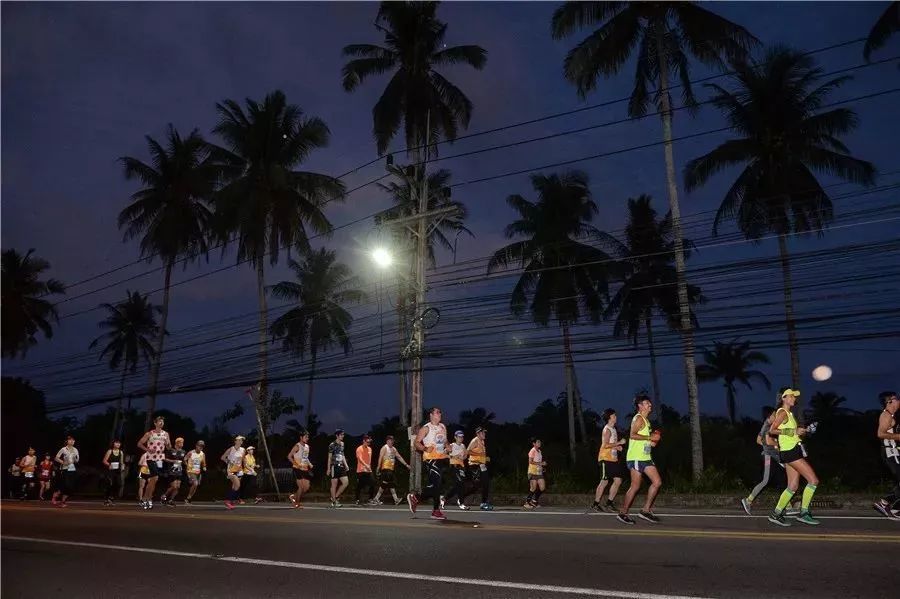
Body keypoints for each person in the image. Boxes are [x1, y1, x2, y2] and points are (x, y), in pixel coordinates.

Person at [767, 388, 820, 527]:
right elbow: (772, 430)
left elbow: (790, 434)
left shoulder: (789, 414)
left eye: (794, 397)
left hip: (790, 451)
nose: (793, 398)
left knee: (793, 485)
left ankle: (776, 513)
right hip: (790, 452)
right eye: (790, 396)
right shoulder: (783, 412)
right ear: (783, 398)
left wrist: (804, 431)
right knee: (813, 481)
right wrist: (792, 431)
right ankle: (804, 513)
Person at [617, 395, 663, 525]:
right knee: (635, 486)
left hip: (646, 457)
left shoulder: (647, 421)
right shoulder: (638, 418)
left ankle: (645, 510)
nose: (650, 405)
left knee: (657, 482)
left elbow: (649, 444)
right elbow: (632, 435)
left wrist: (655, 439)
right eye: (647, 403)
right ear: (640, 406)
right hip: (636, 457)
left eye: (650, 402)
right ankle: (623, 513)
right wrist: (649, 438)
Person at [407, 406, 449, 520]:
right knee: (437, 484)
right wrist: (425, 449)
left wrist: (448, 447)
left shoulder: (442, 427)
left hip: (441, 459)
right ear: (431, 415)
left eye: (440, 412)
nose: (440, 414)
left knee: (434, 486)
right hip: (431, 460)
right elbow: (416, 443)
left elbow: (445, 440)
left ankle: (415, 498)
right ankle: (435, 511)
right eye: (437, 412)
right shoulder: (426, 428)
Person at [593, 409, 626, 512]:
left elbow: (611, 444)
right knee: (604, 482)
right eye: (614, 415)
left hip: (613, 459)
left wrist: (617, 448)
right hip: (605, 459)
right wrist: (619, 443)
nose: (616, 417)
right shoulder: (607, 429)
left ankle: (609, 503)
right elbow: (605, 445)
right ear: (609, 418)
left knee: (618, 480)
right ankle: (595, 504)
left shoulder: (613, 429)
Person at [874, 390, 900, 518]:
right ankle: (886, 504)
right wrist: (898, 436)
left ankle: (891, 506)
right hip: (890, 453)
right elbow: (880, 433)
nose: (898, 400)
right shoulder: (886, 415)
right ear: (889, 402)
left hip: (893, 452)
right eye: (896, 398)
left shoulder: (891, 415)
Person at [137, 416, 171, 510]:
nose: (161, 423)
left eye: (162, 422)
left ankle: (145, 498)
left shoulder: (166, 434)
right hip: (151, 458)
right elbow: (139, 444)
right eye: (159, 421)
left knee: (154, 480)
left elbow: (169, 447)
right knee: (154, 477)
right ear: (155, 423)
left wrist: (168, 444)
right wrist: (147, 449)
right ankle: (146, 499)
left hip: (160, 459)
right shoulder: (149, 433)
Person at [373, 435, 408, 506]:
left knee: (387, 484)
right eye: (390, 440)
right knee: (389, 483)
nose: (392, 442)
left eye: (392, 440)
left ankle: (377, 499)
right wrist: (378, 467)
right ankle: (394, 499)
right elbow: (380, 457)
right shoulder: (384, 448)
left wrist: (406, 465)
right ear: (387, 441)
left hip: (391, 469)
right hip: (385, 468)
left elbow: (399, 457)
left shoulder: (394, 449)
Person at [466, 426, 493, 510]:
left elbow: (481, 453)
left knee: (486, 484)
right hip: (474, 466)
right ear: (478, 433)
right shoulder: (475, 440)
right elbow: (468, 451)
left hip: (481, 465)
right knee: (476, 486)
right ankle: (461, 496)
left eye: (484, 432)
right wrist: (480, 455)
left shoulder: (482, 441)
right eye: (483, 433)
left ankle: (483, 503)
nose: (484, 434)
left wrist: (485, 458)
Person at [444, 431, 470, 510]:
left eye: (462, 437)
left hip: (461, 467)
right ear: (455, 437)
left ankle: (444, 498)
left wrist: (463, 457)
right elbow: (443, 453)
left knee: (458, 485)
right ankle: (461, 503)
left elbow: (465, 455)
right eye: (459, 437)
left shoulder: (463, 445)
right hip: (454, 466)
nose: (461, 438)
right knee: (460, 483)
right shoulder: (452, 445)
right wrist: (452, 457)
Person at [51, 435, 79, 507]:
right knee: (64, 485)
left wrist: (75, 458)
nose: (72, 441)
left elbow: (77, 460)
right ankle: (55, 497)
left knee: (70, 486)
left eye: (73, 440)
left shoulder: (75, 450)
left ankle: (63, 501)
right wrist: (63, 462)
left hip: (72, 469)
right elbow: (56, 458)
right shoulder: (63, 449)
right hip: (64, 469)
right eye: (70, 440)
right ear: (67, 441)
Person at [288, 432, 313, 508]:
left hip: (305, 469)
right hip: (297, 469)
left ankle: (293, 497)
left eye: (308, 437)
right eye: (305, 437)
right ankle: (297, 503)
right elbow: (289, 456)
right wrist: (296, 464)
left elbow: (305, 457)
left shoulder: (307, 447)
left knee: (306, 487)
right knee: (301, 487)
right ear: (301, 437)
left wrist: (309, 463)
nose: (307, 438)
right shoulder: (297, 446)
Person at [221, 435, 245, 510]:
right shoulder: (231, 449)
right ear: (235, 441)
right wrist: (228, 461)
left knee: (234, 486)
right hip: (231, 470)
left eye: (242, 440)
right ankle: (227, 501)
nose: (241, 441)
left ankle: (230, 501)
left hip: (239, 470)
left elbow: (242, 460)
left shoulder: (243, 450)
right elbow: (222, 457)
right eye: (239, 440)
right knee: (237, 485)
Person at [161, 437, 187, 507]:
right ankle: (164, 496)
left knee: (178, 487)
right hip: (172, 471)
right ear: (177, 443)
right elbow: (165, 459)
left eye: (183, 442)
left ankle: (171, 500)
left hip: (179, 471)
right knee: (174, 486)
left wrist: (187, 464)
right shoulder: (171, 450)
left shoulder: (183, 451)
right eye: (181, 442)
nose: (182, 444)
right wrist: (173, 461)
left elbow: (184, 460)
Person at [328, 429, 350, 508]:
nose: (343, 436)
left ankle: (335, 497)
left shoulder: (342, 444)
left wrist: (346, 465)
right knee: (334, 485)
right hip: (334, 466)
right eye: (341, 435)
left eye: (343, 435)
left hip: (341, 466)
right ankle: (334, 502)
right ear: (337, 435)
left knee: (346, 482)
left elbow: (342, 454)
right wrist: (328, 468)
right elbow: (329, 457)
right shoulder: (332, 445)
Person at [524, 438, 547, 509]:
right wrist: (541, 463)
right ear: (534, 444)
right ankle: (527, 503)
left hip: (539, 472)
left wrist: (542, 465)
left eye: (540, 442)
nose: (539, 443)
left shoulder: (539, 451)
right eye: (538, 442)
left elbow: (538, 461)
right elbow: (530, 461)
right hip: (532, 472)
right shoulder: (532, 450)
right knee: (533, 488)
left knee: (542, 488)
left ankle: (534, 501)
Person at [355, 434, 376, 506]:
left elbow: (369, 460)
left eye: (369, 442)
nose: (368, 443)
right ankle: (357, 500)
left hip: (368, 470)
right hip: (361, 470)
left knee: (373, 483)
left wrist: (369, 467)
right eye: (367, 442)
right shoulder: (359, 449)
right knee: (360, 485)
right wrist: (365, 465)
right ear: (363, 441)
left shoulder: (370, 449)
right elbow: (360, 459)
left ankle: (370, 499)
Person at [102, 440, 125, 506]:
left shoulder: (121, 452)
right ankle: (106, 499)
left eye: (119, 443)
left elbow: (121, 461)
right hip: (110, 471)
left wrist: (123, 466)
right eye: (116, 443)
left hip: (117, 471)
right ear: (113, 444)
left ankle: (111, 498)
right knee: (110, 484)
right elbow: (104, 461)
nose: (118, 444)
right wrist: (109, 465)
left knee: (118, 484)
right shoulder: (110, 451)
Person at [184, 440, 206, 505]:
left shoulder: (202, 454)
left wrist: (204, 467)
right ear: (196, 445)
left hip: (198, 472)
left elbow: (203, 462)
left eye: (202, 446)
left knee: (195, 486)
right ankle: (188, 498)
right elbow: (184, 459)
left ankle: (188, 498)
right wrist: (187, 465)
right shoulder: (191, 452)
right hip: (191, 471)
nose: (201, 447)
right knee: (195, 483)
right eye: (200, 446)